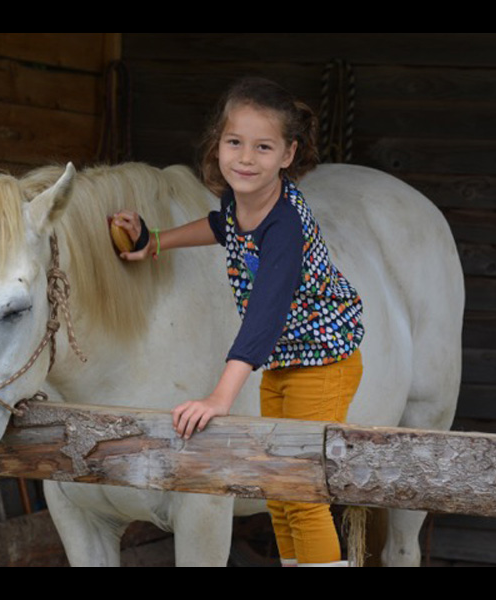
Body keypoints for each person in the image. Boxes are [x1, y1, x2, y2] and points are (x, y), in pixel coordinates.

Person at [112, 77, 365, 568]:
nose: (245, 159)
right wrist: (155, 240)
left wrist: (219, 397)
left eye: (263, 147)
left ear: (288, 155)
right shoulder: (239, 202)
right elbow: (218, 225)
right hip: (286, 362)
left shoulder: (285, 225)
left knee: (302, 490)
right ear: (218, 144)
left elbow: (265, 317)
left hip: (325, 361)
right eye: (235, 143)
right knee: (277, 490)